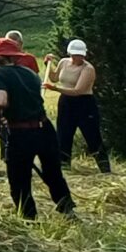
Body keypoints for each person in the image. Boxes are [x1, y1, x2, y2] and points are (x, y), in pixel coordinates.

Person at [0, 36, 76, 219]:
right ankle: (68, 210)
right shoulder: (30, 74)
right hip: (45, 129)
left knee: (19, 180)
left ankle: (30, 219)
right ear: (14, 56)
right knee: (53, 173)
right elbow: (25, 100)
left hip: (21, 133)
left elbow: (1, 101)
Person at [46, 38, 111, 172]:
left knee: (93, 137)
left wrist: (55, 89)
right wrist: (49, 64)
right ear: (70, 53)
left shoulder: (88, 69)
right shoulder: (64, 62)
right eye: (75, 55)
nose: (77, 57)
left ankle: (105, 169)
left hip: (84, 104)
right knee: (63, 136)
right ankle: (64, 169)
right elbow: (54, 78)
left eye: (80, 55)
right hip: (66, 103)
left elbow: (78, 91)